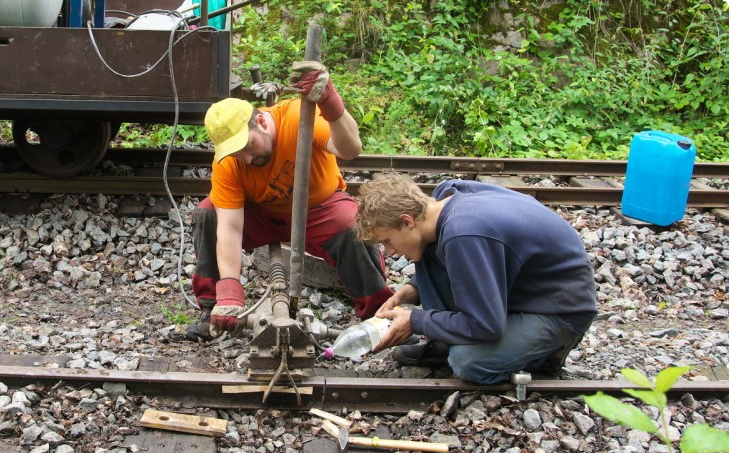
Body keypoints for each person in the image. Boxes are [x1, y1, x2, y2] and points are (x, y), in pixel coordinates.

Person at [188, 62, 394, 340]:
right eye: (237, 154)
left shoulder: (300, 117)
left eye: (247, 147)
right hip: (261, 214)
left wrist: (331, 104)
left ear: (261, 121)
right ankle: (216, 308)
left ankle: (379, 314)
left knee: (352, 223)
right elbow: (229, 227)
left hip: (318, 209)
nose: (246, 159)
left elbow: (350, 149)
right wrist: (230, 291)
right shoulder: (229, 163)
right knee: (207, 214)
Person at [353, 173, 597, 384]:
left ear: (407, 221)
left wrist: (415, 321)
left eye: (387, 241)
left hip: (559, 312)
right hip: (519, 289)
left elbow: (485, 326)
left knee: (467, 361)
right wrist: (413, 288)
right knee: (426, 249)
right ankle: (451, 339)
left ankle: (543, 355)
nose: (391, 252)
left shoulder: (463, 232)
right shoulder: (445, 200)